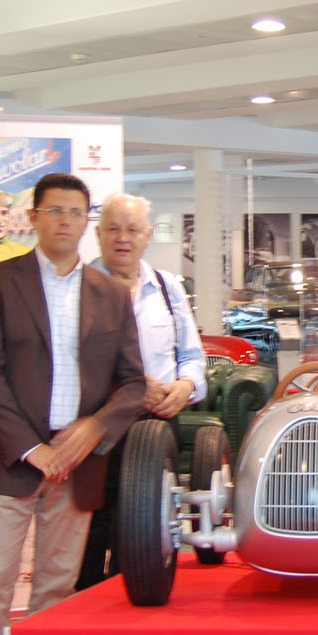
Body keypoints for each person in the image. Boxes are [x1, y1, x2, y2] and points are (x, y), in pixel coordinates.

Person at [0, 174, 154, 635]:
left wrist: (93, 430)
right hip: (8, 461)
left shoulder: (110, 292)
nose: (65, 221)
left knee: (57, 589)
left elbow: (133, 383)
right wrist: (31, 448)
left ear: (85, 221)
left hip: (78, 464)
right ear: (35, 217)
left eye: (75, 212)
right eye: (54, 211)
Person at [76, 193, 206, 590]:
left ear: (147, 236)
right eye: (113, 229)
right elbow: (67, 362)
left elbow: (191, 354)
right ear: (98, 234)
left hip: (157, 425)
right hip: (98, 424)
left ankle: (135, 602)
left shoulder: (167, 287)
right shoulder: (78, 287)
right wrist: (129, 389)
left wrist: (186, 385)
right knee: (93, 523)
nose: (123, 238)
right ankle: (84, 602)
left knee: (146, 523)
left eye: (132, 230)